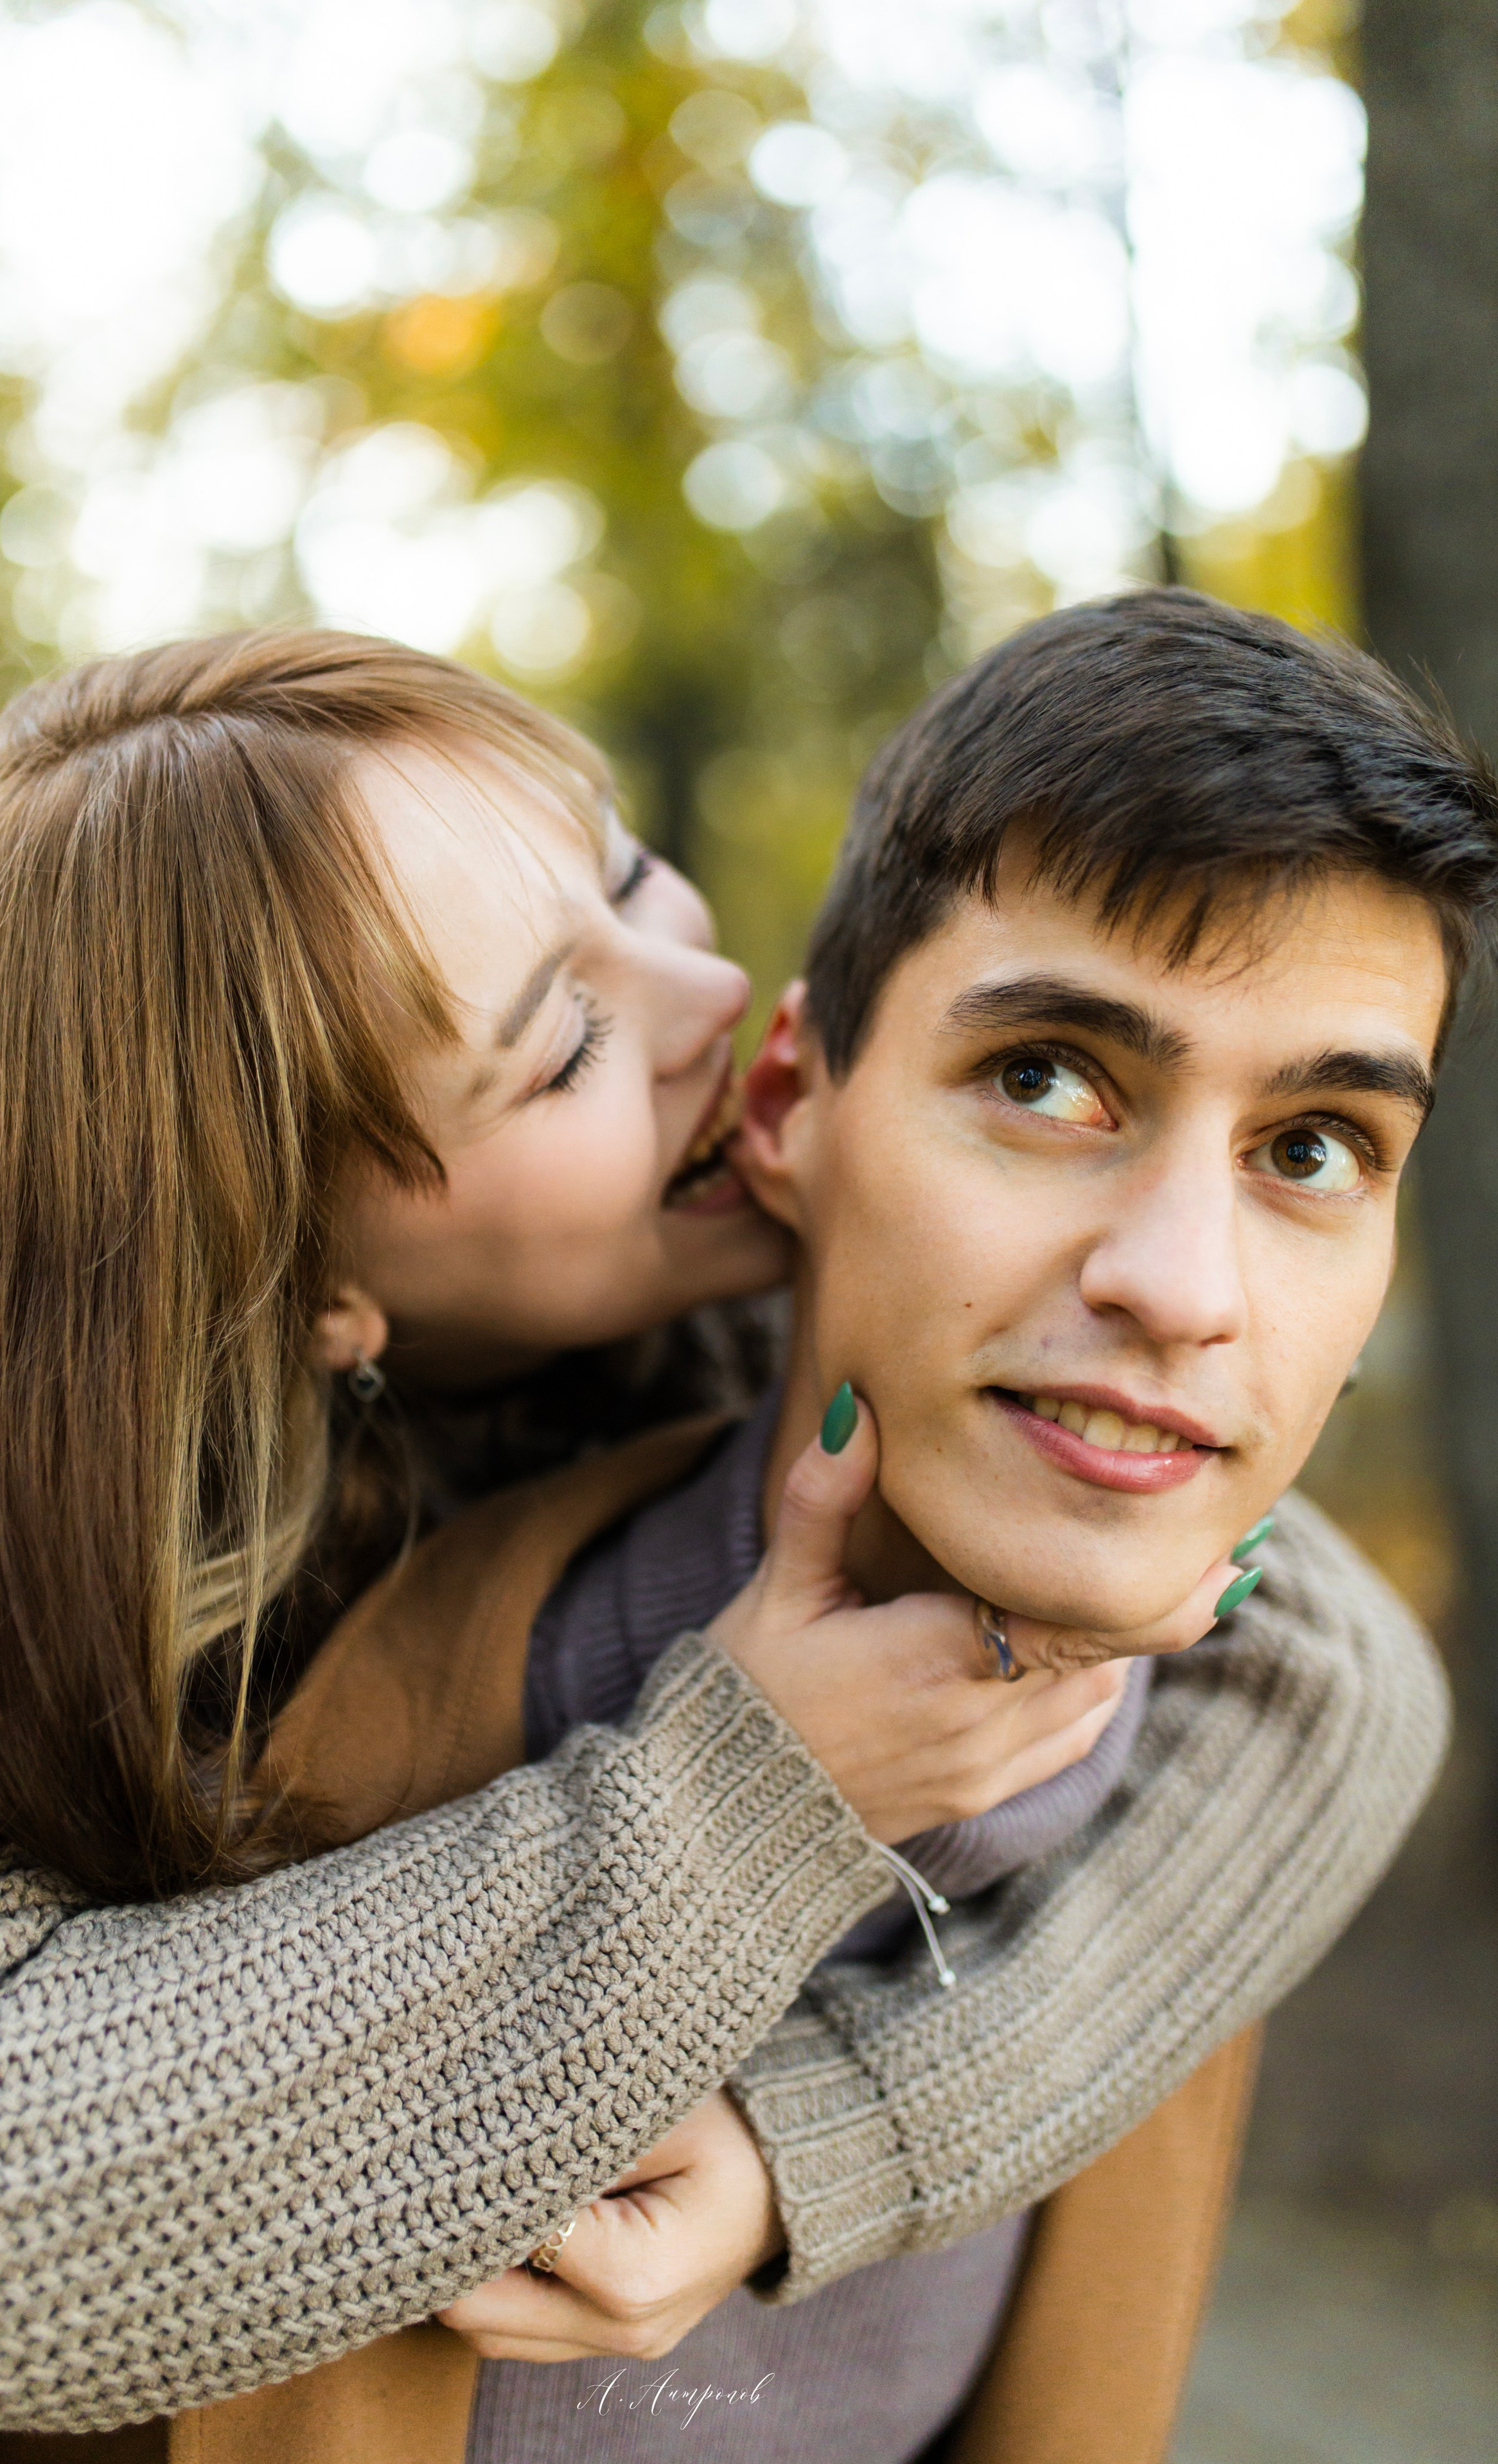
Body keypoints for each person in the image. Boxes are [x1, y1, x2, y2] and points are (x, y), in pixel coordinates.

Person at [0, 619, 1454, 2457]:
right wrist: (744, 1798)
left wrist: (839, 2124)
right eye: (568, 1042)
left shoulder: (774, 1322)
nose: (714, 1002)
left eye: (628, 876)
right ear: (297, 1279)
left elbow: (1336, 1674)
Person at [337, 591, 1479, 2461]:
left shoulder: (1206, 1820)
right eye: (1045, 1079)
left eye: (1314, 1147)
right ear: (786, 1105)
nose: (1184, 1290)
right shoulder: (330, 1744)